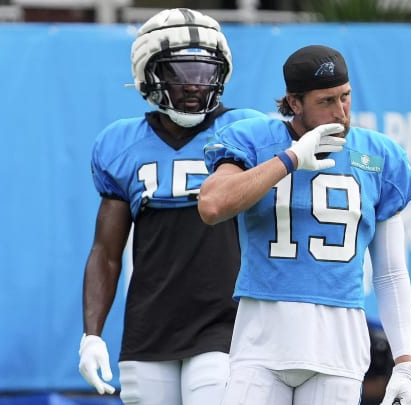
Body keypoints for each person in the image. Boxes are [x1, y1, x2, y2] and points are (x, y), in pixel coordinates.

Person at [197, 44, 411, 405]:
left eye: (345, 97)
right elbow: (212, 204)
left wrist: (405, 363)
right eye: (326, 101)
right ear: (294, 102)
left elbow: (391, 272)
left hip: (338, 342)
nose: (341, 112)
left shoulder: (380, 156)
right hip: (262, 339)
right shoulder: (256, 140)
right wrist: (290, 158)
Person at [77, 8, 266, 405]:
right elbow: (107, 253)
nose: (194, 86)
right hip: (150, 325)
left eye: (204, 73)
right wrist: (91, 334)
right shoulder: (121, 143)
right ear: (149, 75)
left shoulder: (246, 129)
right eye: (180, 73)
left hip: (225, 320)